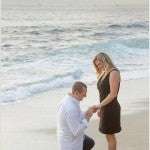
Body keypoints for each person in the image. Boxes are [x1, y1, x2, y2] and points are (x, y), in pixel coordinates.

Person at [93, 52, 121, 150]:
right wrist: (101, 107)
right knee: (108, 136)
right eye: (97, 65)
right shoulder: (104, 73)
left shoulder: (114, 72)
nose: (99, 66)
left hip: (111, 108)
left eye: (100, 63)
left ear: (106, 60)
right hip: (105, 107)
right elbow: (103, 94)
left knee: (110, 136)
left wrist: (99, 105)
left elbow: (113, 94)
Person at [57, 81, 95, 150]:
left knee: (90, 142)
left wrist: (89, 111)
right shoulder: (70, 108)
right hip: (70, 143)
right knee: (89, 143)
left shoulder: (71, 99)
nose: (85, 96)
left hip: (72, 136)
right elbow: (76, 132)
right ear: (76, 93)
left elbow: (77, 114)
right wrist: (87, 117)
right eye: (84, 94)